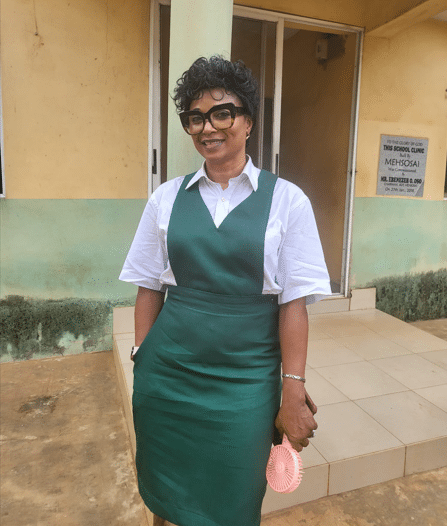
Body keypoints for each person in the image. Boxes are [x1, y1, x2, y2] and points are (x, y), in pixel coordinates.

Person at [119, 55, 331, 526]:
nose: (207, 127)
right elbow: (148, 286)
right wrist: (141, 354)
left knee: (234, 498)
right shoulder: (167, 198)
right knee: (165, 489)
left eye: (222, 112)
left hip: (245, 380)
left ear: (248, 121)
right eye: (195, 117)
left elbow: (293, 303)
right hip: (168, 375)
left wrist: (292, 389)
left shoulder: (287, 199)